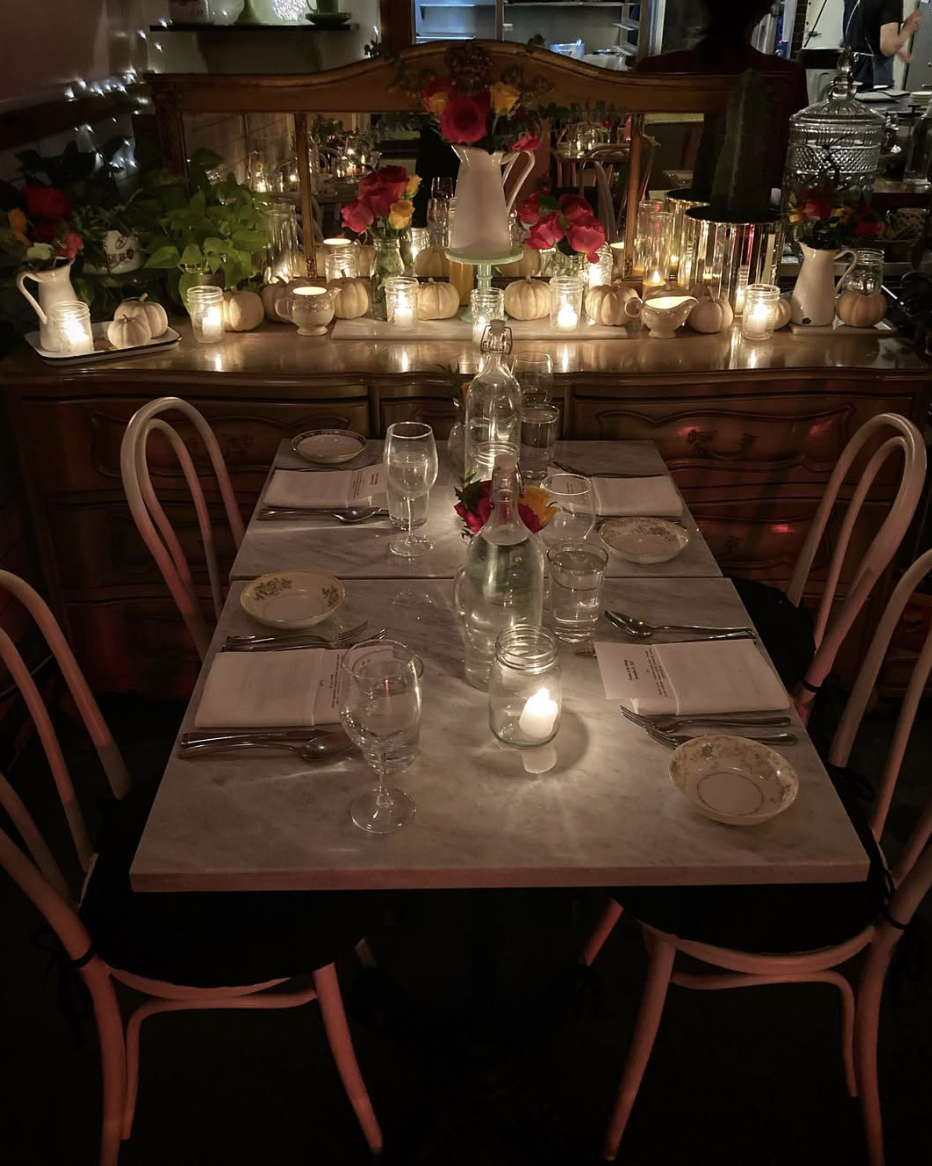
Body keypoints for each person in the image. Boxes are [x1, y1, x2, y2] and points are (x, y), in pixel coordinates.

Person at [636, 0, 809, 190]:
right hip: (752, 212)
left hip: (650, 211)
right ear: (765, 10)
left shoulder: (655, 69)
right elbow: (790, 167)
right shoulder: (786, 76)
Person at [843, 0, 922, 88]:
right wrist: (908, 29)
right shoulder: (892, 2)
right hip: (872, 79)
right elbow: (888, 47)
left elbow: (864, 27)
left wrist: (898, 46)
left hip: (850, 73)